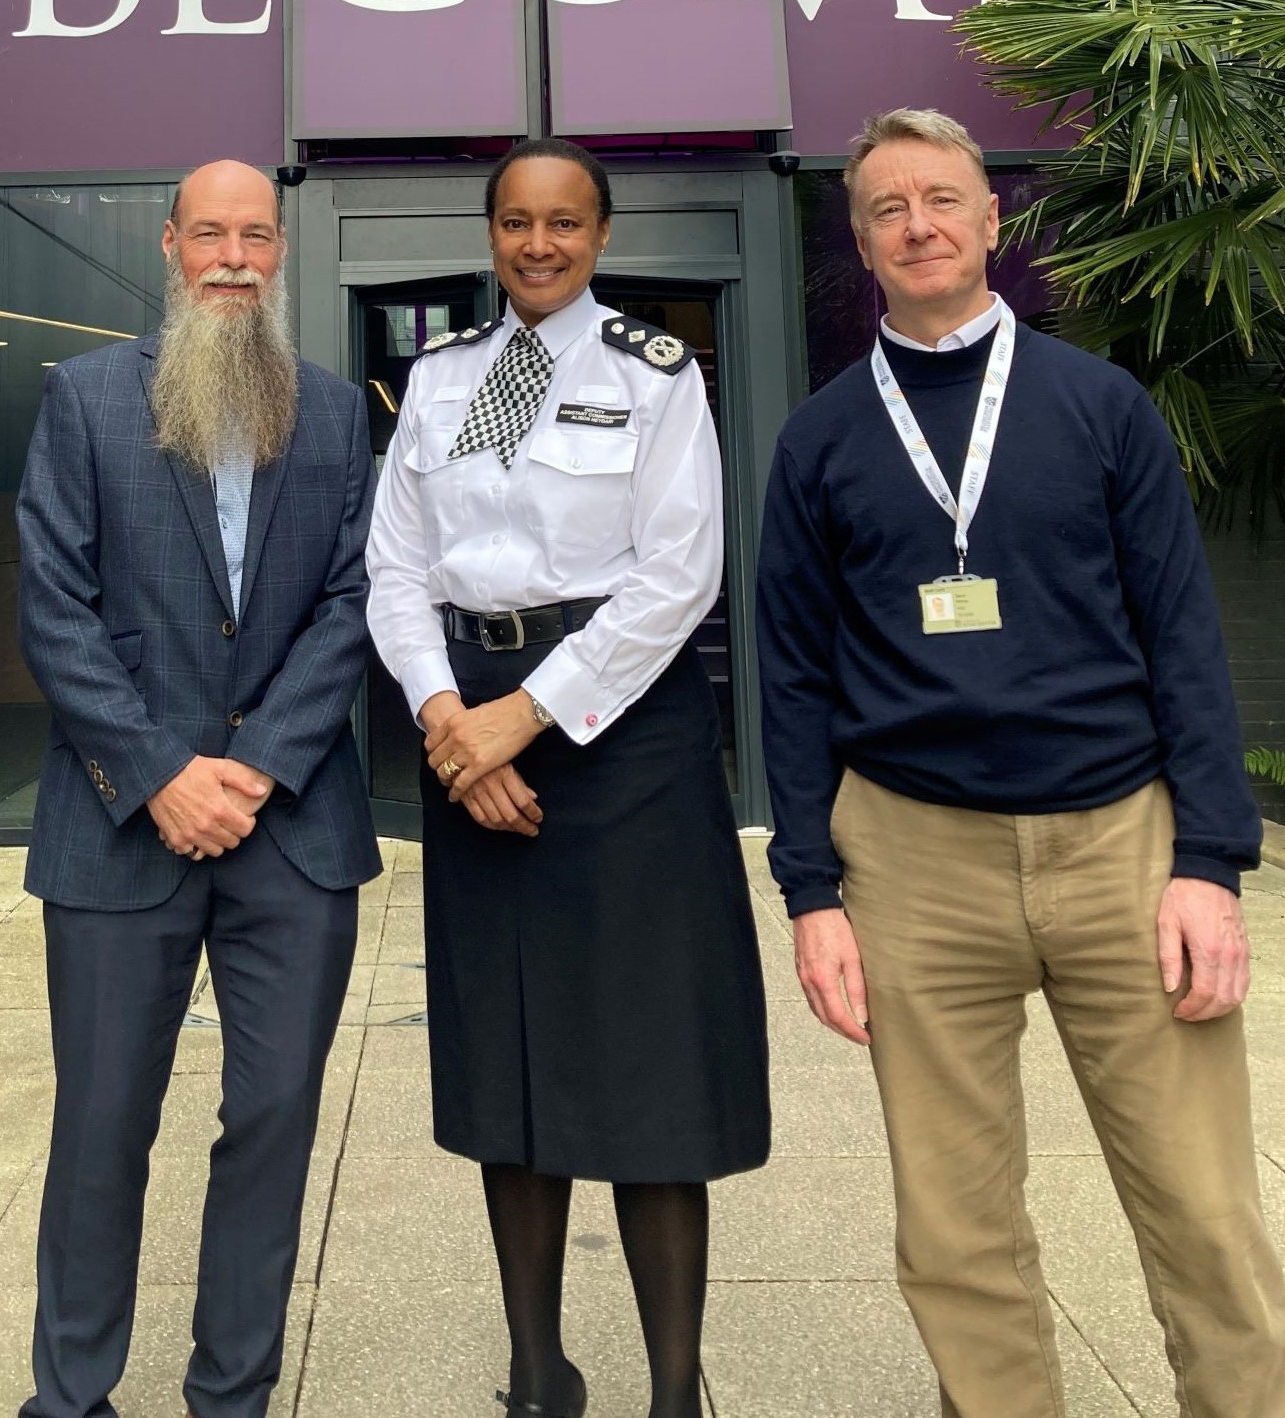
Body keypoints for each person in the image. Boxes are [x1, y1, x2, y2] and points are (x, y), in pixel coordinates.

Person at [756, 108, 1285, 1417]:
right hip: (912, 858)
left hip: (1119, 841)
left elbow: (1180, 630)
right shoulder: (821, 439)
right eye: (888, 207)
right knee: (955, 1237)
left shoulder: (1096, 405)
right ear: (861, 239)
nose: (918, 224)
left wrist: (1208, 861)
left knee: (1202, 1210)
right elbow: (788, 674)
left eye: (941, 198)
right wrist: (811, 891)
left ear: (989, 220)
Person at [366, 137, 769, 1418]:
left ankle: (669, 1386)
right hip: (464, 717)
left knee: (649, 1053)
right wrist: (448, 716)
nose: (538, 244)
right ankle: (536, 1372)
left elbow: (676, 575)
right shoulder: (436, 379)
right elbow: (393, 569)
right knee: (510, 1054)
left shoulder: (656, 376)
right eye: (515, 222)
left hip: (620, 728)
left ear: (600, 235)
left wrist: (521, 719)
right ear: (489, 233)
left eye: (565, 223)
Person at [15, 159, 381, 1418]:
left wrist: (262, 762)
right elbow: (53, 608)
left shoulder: (333, 413)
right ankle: (70, 1396)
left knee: (273, 1122)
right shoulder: (85, 400)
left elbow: (353, 600)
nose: (233, 256)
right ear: (170, 245)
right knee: (104, 1125)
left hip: (293, 833)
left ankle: (230, 1395)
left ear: (280, 251)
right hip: (121, 824)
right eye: (209, 234)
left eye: (256, 235)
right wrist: (161, 771)